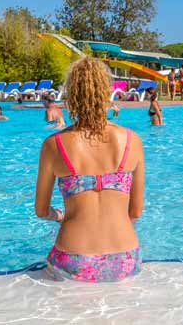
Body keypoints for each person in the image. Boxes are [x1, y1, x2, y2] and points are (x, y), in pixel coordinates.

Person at [35, 57, 144, 282]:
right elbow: (135, 212)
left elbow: (41, 210)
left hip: (74, 256)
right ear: (107, 92)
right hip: (124, 256)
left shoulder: (54, 144)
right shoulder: (132, 141)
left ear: (71, 94)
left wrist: (62, 216)